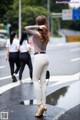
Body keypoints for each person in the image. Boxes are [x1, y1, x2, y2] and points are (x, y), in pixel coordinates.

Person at [25, 15, 50, 117]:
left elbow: (26, 28)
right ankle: (44, 104)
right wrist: (42, 27)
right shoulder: (47, 34)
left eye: (36, 23)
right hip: (46, 57)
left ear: (38, 23)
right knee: (43, 82)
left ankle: (39, 105)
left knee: (35, 80)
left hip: (38, 57)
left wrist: (37, 27)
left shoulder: (36, 33)